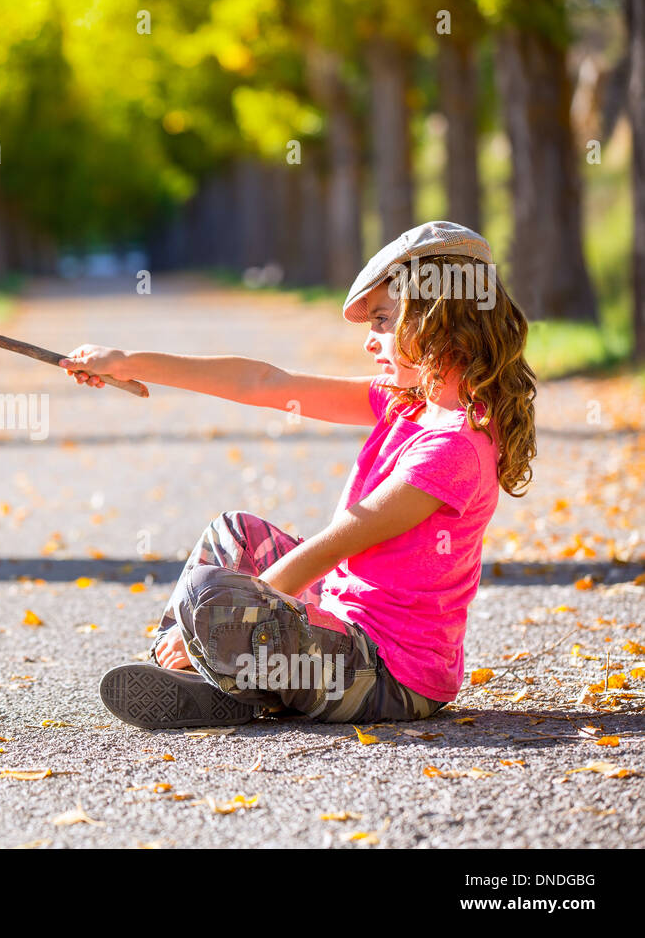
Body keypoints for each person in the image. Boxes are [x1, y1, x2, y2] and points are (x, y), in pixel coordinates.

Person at [58, 221, 538, 728]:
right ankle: (215, 677)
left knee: (215, 597)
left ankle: (220, 671)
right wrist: (130, 363)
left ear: (439, 320)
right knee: (233, 533)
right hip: (337, 629)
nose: (370, 341)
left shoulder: (455, 446)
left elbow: (334, 545)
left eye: (381, 320)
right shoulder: (406, 404)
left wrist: (213, 622)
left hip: (387, 677)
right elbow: (264, 382)